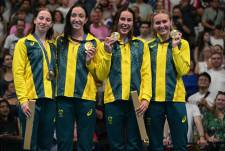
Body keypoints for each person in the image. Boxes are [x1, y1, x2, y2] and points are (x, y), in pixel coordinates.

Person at [55, 3, 111, 151]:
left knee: (85, 144)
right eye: (74, 15)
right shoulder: (60, 41)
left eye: (80, 16)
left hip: (86, 98)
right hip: (64, 97)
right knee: (63, 142)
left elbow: (101, 74)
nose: (77, 19)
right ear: (69, 18)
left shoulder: (94, 42)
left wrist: (89, 63)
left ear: (86, 19)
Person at [103, 7, 152, 151]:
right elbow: (100, 74)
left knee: (134, 144)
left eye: (129, 20)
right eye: (122, 19)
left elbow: (146, 74)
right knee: (115, 145)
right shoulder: (106, 44)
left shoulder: (141, 45)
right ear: (116, 21)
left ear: (133, 23)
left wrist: (146, 98)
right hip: (113, 99)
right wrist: (107, 53)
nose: (125, 23)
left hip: (136, 101)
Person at [145, 10, 190, 151]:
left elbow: (183, 70)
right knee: (155, 145)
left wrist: (175, 47)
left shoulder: (183, 44)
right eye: (157, 22)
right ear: (153, 25)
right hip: (154, 101)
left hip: (176, 99)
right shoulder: (148, 46)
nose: (162, 25)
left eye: (164, 21)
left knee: (180, 144)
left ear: (170, 22)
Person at [13, 8, 56, 150]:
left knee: (46, 145)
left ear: (51, 24)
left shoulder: (54, 46)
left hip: (50, 101)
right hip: (31, 102)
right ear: (35, 20)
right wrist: (23, 100)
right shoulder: (23, 43)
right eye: (41, 18)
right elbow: (18, 73)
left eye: (48, 19)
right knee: (29, 145)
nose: (44, 22)